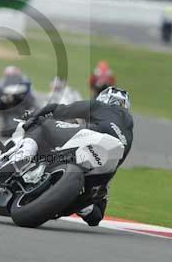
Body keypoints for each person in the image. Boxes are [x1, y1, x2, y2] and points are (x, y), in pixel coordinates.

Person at [17, 86, 133, 226]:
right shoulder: (129, 133)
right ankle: (82, 206)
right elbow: (96, 218)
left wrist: (34, 115)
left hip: (95, 137)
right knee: (96, 208)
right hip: (106, 165)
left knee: (43, 124)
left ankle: (23, 155)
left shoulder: (100, 106)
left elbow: (62, 110)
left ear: (104, 99)